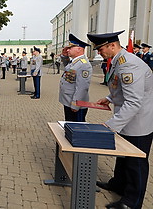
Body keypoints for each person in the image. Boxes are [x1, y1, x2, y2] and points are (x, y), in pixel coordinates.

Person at [88, 31, 153, 209]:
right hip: (127, 118)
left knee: (136, 162)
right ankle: (118, 184)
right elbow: (120, 87)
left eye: (100, 49)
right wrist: (109, 98)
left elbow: (133, 101)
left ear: (112, 45)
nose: (98, 52)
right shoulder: (118, 61)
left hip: (138, 122)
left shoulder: (129, 65)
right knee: (123, 157)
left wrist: (110, 126)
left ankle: (132, 201)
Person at [59, 34, 92, 122]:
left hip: (76, 104)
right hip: (68, 100)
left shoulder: (83, 64)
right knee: (69, 124)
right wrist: (64, 56)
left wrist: (75, 104)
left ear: (79, 49)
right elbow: (67, 68)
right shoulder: (74, 62)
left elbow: (82, 87)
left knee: (77, 128)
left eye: (70, 48)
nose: (68, 50)